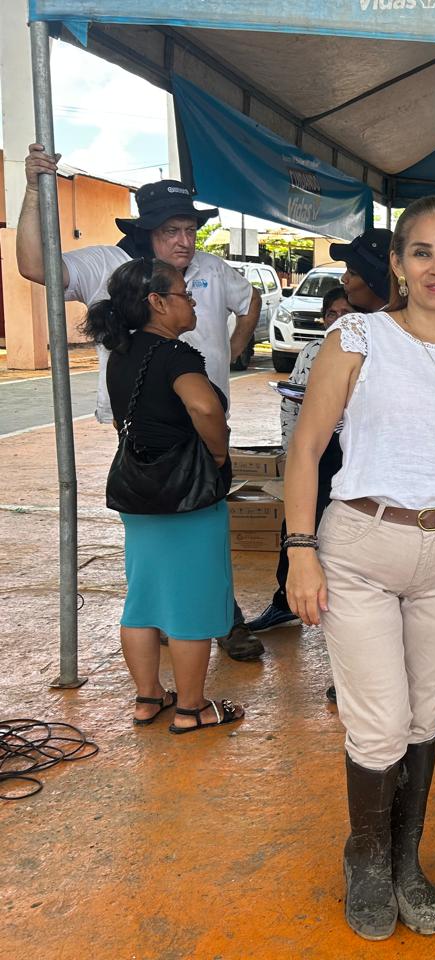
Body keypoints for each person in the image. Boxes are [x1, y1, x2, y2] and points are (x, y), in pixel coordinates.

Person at [284, 197, 435, 941]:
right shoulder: (358, 336)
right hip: (362, 547)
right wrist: (299, 550)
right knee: (378, 725)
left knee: (425, 717)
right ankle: (367, 858)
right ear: (399, 264)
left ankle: (406, 858)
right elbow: (306, 447)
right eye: (423, 252)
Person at [18, 144, 265, 662]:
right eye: (171, 231)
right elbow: (35, 266)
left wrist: (236, 348)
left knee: (205, 528)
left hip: (205, 420)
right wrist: (32, 191)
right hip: (142, 425)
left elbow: (250, 302)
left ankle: (219, 618)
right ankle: (172, 619)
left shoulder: (212, 268)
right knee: (160, 530)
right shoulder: (108, 264)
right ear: (146, 232)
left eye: (189, 229)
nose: (184, 241)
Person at [85, 257, 246, 733]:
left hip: (138, 492)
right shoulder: (175, 356)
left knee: (144, 600)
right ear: (157, 302)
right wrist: (218, 453)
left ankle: (148, 698)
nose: (192, 303)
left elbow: (129, 418)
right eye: (184, 294)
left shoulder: (121, 353)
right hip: (187, 496)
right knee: (192, 602)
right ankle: (192, 708)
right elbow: (204, 407)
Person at [245, 228, 393, 638]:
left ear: (377, 276)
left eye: (353, 272)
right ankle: (287, 599)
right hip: (329, 449)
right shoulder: (346, 334)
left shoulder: (400, 336)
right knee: (302, 520)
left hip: (367, 469)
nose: (345, 280)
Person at [245, 287, 354, 641]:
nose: (338, 320)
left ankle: (345, 608)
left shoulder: (369, 349)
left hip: (353, 453)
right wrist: (292, 450)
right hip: (318, 451)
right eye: (332, 313)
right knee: (298, 520)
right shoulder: (313, 351)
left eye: (346, 313)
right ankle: (285, 600)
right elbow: (292, 402)